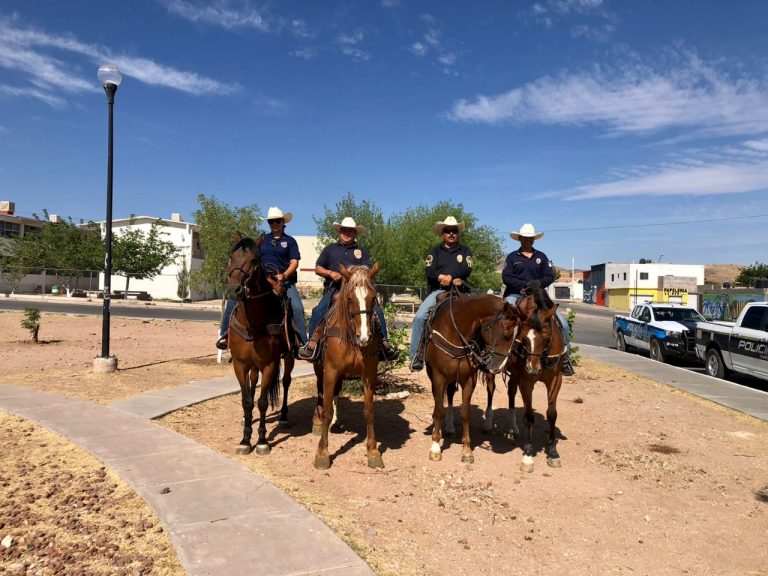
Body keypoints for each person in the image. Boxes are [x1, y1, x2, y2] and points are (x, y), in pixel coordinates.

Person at [298, 216, 398, 361]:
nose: (346, 233)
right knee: (318, 311)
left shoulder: (361, 251)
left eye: (350, 231)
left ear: (355, 233)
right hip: (335, 289)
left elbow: (367, 268)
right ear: (339, 232)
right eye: (344, 230)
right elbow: (318, 268)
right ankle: (312, 344)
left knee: (377, 311)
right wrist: (330, 273)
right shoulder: (330, 249)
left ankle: (384, 344)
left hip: (357, 291)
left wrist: (354, 273)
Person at [215, 206, 307, 350]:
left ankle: (303, 342)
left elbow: (294, 262)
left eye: (277, 221)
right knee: (234, 298)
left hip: (284, 281)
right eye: (271, 222)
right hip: (263, 279)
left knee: (297, 307)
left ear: (283, 222)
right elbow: (251, 259)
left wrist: (284, 275)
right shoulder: (262, 240)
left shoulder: (290, 241)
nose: (275, 224)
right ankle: (225, 334)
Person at [502, 223, 574, 376]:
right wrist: (524, 285)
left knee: (563, 322)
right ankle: (500, 354)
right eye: (525, 238)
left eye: (530, 238)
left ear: (534, 239)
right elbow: (506, 277)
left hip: (539, 296)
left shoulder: (542, 256)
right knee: (502, 317)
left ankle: (566, 357)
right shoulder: (512, 257)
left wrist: (538, 284)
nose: (528, 240)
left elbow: (549, 275)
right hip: (516, 294)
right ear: (520, 239)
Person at [409, 216, 473, 372]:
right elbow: (429, 270)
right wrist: (440, 277)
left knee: (478, 316)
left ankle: (480, 354)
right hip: (439, 291)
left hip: (461, 290)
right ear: (442, 234)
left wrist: (452, 277)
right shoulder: (435, 251)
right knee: (419, 318)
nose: (451, 233)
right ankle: (416, 356)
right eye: (448, 231)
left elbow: (467, 268)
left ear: (458, 233)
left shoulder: (465, 250)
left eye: (454, 231)